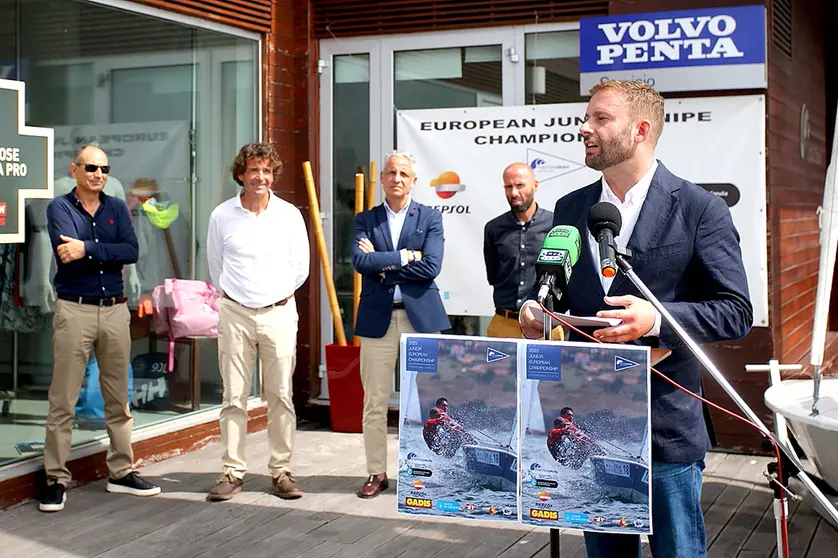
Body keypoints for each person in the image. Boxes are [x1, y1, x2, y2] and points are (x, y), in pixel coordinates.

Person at [519, 80, 753, 557]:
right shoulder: (570, 208)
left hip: (664, 428)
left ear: (641, 130)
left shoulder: (699, 209)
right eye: (586, 118)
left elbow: (735, 311)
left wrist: (656, 319)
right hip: (589, 428)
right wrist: (536, 308)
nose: (584, 128)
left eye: (601, 119)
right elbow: (555, 287)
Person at [41, 146, 160, 513]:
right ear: (74, 169)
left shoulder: (117, 208)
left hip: (114, 311)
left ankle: (121, 471)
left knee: (117, 399)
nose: (98, 174)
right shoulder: (59, 207)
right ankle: (55, 479)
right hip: (74, 310)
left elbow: (131, 251)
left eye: (104, 168)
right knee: (63, 400)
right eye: (91, 167)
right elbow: (66, 254)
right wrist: (104, 250)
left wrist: (88, 248)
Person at [205, 143, 310, 501]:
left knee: (280, 395)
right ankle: (232, 471)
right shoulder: (222, 215)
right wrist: (241, 297)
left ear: (272, 175)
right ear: (241, 174)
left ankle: (281, 470)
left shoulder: (289, 215)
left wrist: (272, 296)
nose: (260, 177)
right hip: (234, 314)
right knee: (233, 396)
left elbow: (301, 268)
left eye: (266, 171)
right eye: (253, 170)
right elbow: (215, 265)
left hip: (279, 313)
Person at [352, 150, 450, 499]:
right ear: (382, 179)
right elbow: (361, 261)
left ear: (413, 181)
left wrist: (384, 265)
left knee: (426, 400)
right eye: (391, 172)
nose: (396, 178)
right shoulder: (366, 219)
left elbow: (432, 266)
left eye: (403, 174)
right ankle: (376, 472)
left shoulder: (430, 217)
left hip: (420, 319)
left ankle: (426, 470)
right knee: (374, 401)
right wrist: (405, 256)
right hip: (378, 319)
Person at [483, 163, 562, 340]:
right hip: (503, 325)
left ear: (535, 185)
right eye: (508, 186)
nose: (514, 193)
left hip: (545, 324)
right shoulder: (493, 228)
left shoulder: (555, 225)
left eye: (520, 185)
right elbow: (494, 275)